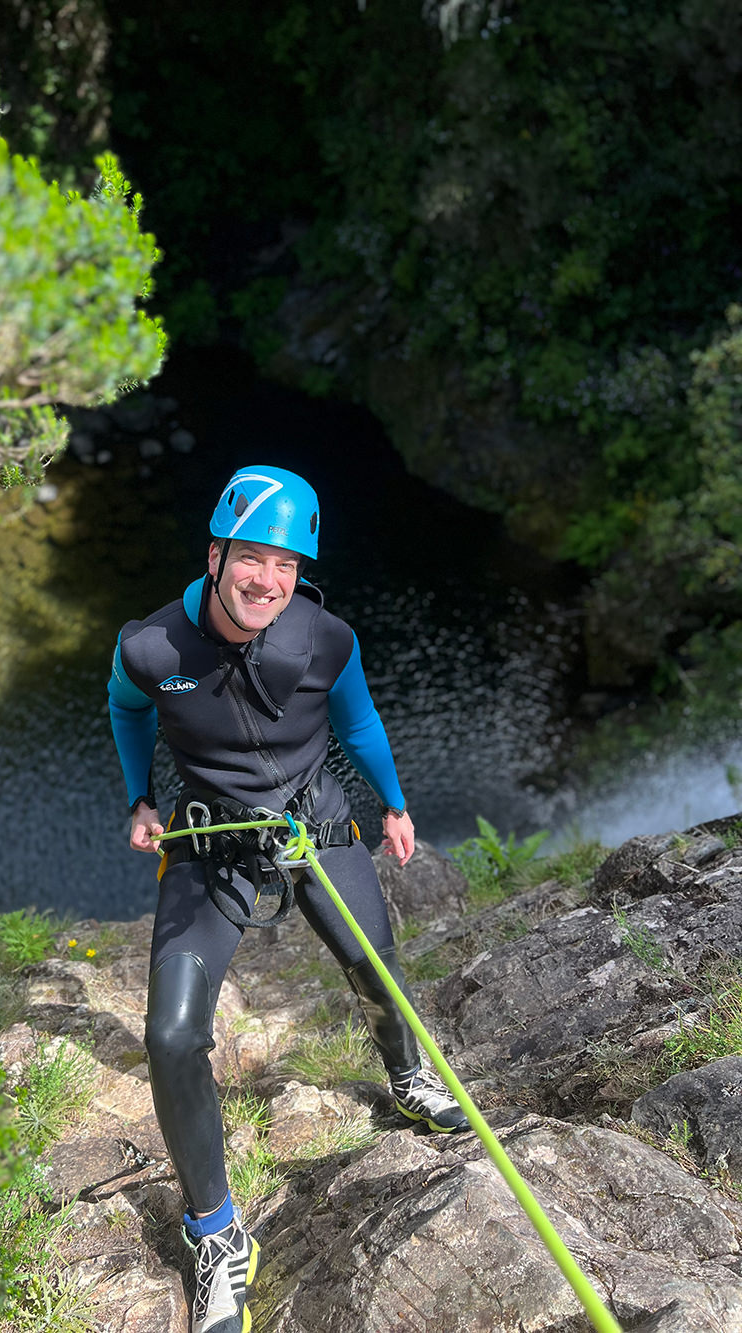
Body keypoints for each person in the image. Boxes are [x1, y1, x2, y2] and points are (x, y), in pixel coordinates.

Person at [108, 464, 468, 1333]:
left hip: (317, 825)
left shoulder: (325, 638)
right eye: (252, 559)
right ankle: (218, 1234)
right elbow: (128, 710)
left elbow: (357, 725)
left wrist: (393, 802)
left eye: (287, 564)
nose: (268, 580)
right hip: (212, 842)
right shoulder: (152, 647)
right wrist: (139, 797)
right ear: (215, 552)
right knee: (171, 1034)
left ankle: (410, 1073)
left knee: (374, 965)